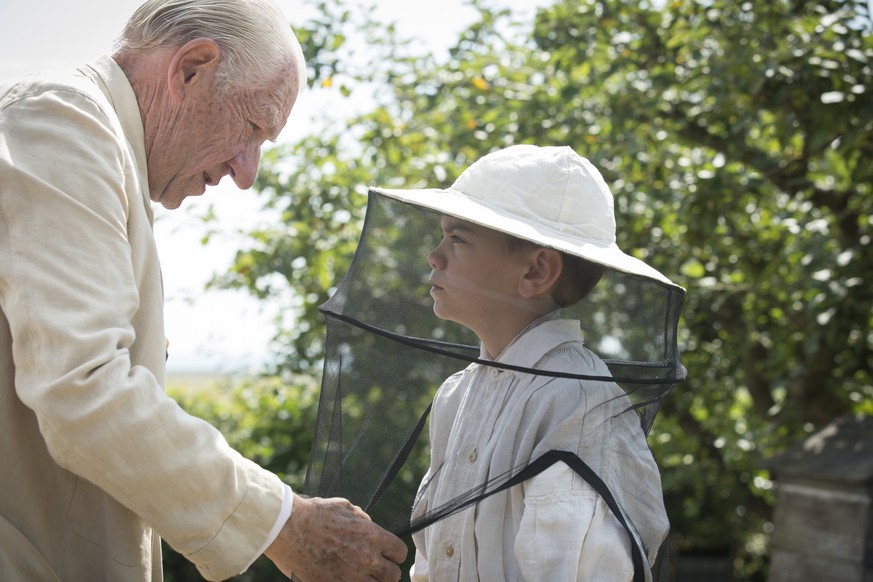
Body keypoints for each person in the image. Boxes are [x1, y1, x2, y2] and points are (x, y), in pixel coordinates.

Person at [0, 0, 406, 580]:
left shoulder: (94, 145)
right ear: (191, 68)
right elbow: (83, 388)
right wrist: (285, 524)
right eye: (254, 126)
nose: (247, 173)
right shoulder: (61, 122)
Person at [371, 145, 673, 581]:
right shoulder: (457, 395)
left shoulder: (575, 403)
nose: (434, 257)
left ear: (536, 271)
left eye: (457, 238)